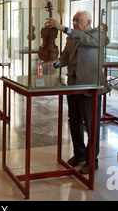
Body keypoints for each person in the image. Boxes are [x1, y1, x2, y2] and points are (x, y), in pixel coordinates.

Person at [42, 10, 109, 174]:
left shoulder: (97, 34)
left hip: (90, 87)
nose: (74, 23)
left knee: (91, 124)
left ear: (88, 21)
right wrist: (56, 62)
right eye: (73, 21)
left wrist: (63, 27)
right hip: (73, 85)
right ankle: (79, 154)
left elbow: (88, 40)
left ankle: (92, 159)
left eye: (78, 20)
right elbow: (65, 57)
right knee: (74, 121)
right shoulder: (72, 37)